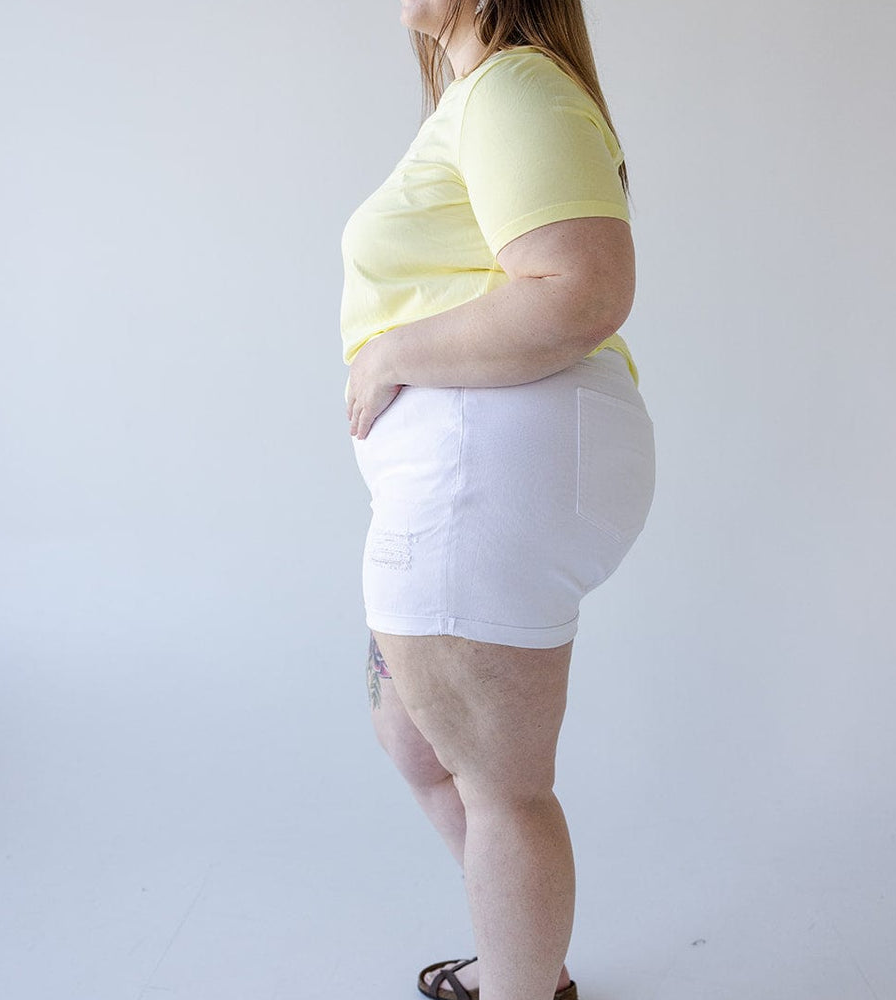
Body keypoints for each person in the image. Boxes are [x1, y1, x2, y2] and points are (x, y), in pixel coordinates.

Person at [339, 2, 655, 998]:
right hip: (475, 473)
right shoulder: (485, 98)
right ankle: (523, 958)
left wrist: (390, 350)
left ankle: (525, 989)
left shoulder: (514, 86)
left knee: (498, 779)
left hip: (484, 470)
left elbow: (581, 287)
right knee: (417, 739)